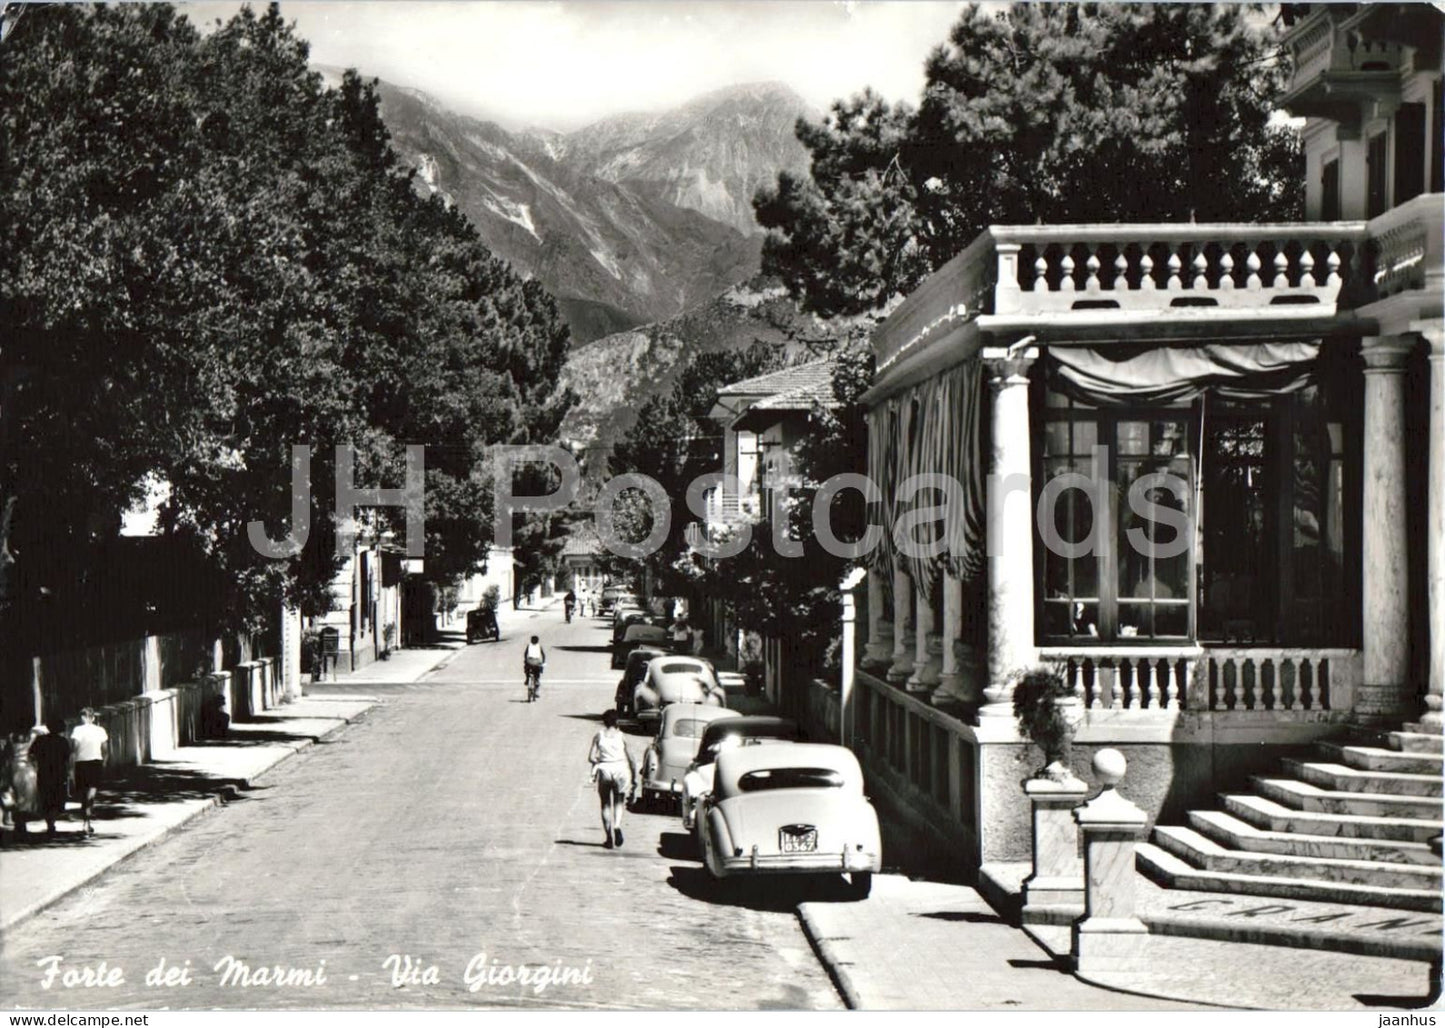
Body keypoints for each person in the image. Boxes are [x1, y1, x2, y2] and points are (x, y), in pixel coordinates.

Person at [587, 710, 636, 849]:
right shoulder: (622, 736)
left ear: (604, 722)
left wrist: (599, 761)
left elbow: (590, 757)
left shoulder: (599, 736)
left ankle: (609, 838)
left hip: (605, 769)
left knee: (605, 804)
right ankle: (617, 826)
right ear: (617, 722)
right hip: (620, 769)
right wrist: (634, 776)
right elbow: (631, 758)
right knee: (619, 800)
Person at [30, 718, 71, 836]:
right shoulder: (63, 741)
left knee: (46, 797)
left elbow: (33, 754)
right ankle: (52, 822)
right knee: (57, 797)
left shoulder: (41, 740)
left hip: (44, 772)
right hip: (59, 773)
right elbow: (66, 758)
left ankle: (49, 822)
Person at [70, 708, 108, 835]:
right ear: (93, 718)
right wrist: (104, 763)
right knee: (91, 794)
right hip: (95, 763)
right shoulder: (100, 730)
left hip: (81, 764)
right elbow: (106, 750)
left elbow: (74, 749)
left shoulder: (77, 730)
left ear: (82, 717)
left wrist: (71, 768)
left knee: (83, 795)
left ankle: (86, 821)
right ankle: (87, 822)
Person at [523, 635, 546, 700]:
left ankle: (527, 678)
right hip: (537, 662)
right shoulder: (539, 646)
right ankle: (537, 682)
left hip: (529, 661)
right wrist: (543, 662)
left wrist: (525, 659)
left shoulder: (529, 646)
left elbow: (525, 654)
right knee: (538, 674)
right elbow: (543, 655)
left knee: (526, 667)